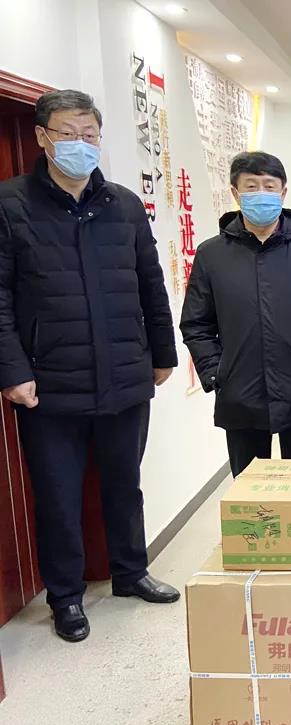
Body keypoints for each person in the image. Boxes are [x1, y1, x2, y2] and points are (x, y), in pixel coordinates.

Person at [0, 90, 179, 643]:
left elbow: (150, 281)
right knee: (58, 496)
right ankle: (66, 597)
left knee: (125, 484)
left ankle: (130, 572)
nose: (80, 144)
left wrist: (163, 353)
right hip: (49, 385)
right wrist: (12, 370)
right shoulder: (11, 204)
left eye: (90, 134)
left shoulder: (123, 204)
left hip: (125, 373)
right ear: (42, 137)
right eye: (68, 133)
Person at [181, 152, 291, 477]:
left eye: (269, 186)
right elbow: (196, 323)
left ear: (283, 193)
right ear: (235, 192)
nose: (261, 194)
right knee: (250, 490)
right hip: (240, 391)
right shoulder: (212, 254)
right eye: (251, 186)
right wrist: (215, 373)